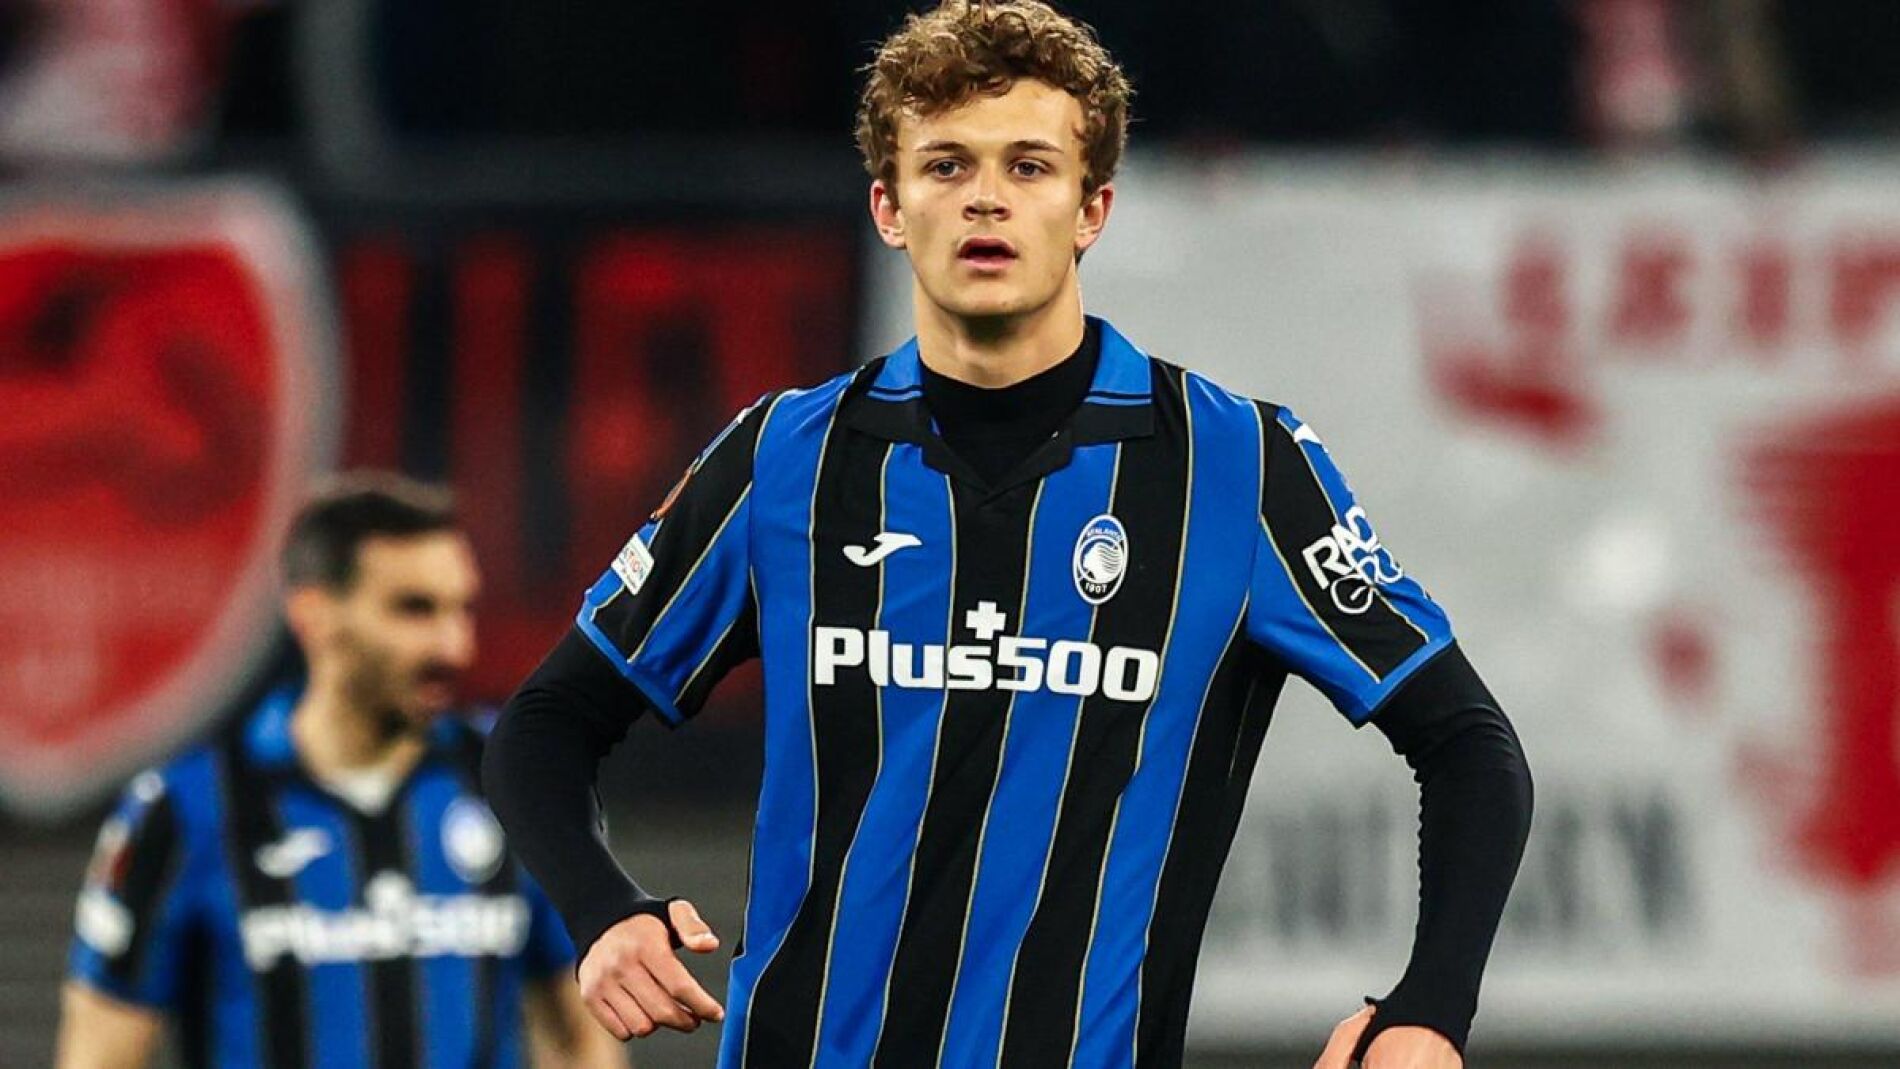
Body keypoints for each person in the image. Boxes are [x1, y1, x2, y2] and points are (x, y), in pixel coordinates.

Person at [483, 2, 1534, 1067]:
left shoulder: (1236, 466)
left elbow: (1468, 746)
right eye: (945, 165)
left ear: (1092, 209)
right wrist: (600, 908)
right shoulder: (785, 459)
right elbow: (546, 721)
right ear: (889, 208)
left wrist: (1430, 1006)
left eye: (1029, 166)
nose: (985, 195)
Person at [57, 473, 627, 1069]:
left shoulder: (517, 783)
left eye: (461, 609)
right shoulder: (185, 811)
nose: (453, 647)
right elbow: (99, 1054)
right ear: (315, 615)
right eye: (414, 609)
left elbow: (579, 1040)